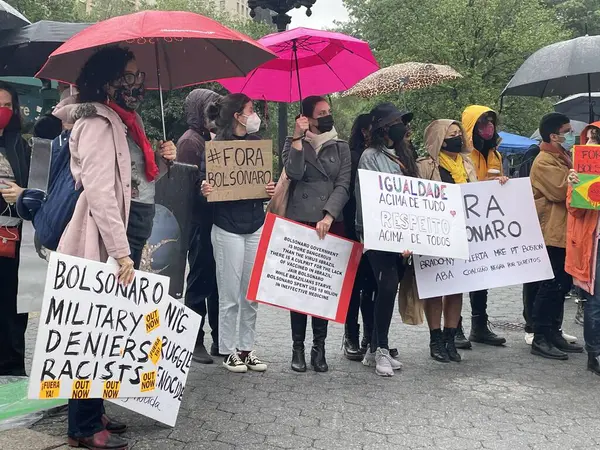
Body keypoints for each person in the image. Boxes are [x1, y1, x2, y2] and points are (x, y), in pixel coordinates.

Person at [53, 46, 176, 450]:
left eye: (139, 77)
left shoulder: (125, 120)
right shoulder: (97, 122)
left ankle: (94, 410)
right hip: (108, 237)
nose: (136, 85)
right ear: (106, 80)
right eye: (127, 76)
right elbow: (102, 192)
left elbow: (133, 179)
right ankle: (83, 426)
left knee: (111, 327)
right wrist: (121, 253)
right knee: (93, 328)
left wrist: (160, 159)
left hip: (129, 228)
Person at [201, 93, 274, 373]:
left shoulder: (256, 145)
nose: (254, 114)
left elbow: (263, 182)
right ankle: (228, 349)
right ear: (237, 116)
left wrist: (269, 189)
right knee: (230, 294)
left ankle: (247, 348)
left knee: (250, 295)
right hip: (227, 228)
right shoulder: (217, 147)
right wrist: (205, 189)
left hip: (254, 224)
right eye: (251, 109)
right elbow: (205, 183)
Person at [282, 95, 351, 372]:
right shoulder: (292, 143)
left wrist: (329, 214)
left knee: (322, 288)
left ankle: (318, 347)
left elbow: (343, 183)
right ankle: (297, 347)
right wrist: (298, 140)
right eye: (321, 112)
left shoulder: (341, 147)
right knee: (299, 288)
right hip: (300, 221)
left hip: (329, 223)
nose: (327, 116)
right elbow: (293, 174)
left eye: (328, 111)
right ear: (307, 118)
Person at [355, 103, 415, 377]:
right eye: (398, 122)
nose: (403, 126)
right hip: (378, 235)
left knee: (387, 290)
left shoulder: (405, 155)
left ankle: (373, 350)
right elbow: (370, 199)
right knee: (387, 286)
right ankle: (381, 348)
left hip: (403, 237)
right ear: (385, 128)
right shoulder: (370, 157)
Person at [417, 119, 478, 362]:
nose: (457, 138)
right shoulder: (424, 166)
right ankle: (435, 339)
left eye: (458, 133)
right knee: (435, 289)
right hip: (435, 234)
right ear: (438, 139)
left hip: (462, 233)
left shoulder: (467, 163)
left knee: (456, 289)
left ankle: (451, 337)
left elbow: (477, 194)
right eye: (451, 134)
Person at [529, 112, 584, 360]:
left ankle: (553, 332)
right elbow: (560, 191)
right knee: (550, 286)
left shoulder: (563, 157)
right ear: (554, 136)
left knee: (561, 285)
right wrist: (577, 178)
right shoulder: (543, 161)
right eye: (567, 131)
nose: (571, 136)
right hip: (551, 232)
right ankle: (540, 336)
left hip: (564, 232)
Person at [177, 88, 222, 364]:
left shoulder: (208, 139)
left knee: (216, 281)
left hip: (213, 218)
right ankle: (194, 341)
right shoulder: (190, 142)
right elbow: (185, 186)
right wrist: (201, 188)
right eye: (209, 110)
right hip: (198, 221)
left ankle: (220, 337)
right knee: (199, 280)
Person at [460, 105, 506, 348]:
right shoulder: (463, 155)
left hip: (484, 226)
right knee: (457, 277)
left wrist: (502, 182)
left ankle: (479, 325)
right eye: (481, 123)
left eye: (490, 122)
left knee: (482, 277)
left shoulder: (495, 154)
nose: (487, 128)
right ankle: (454, 327)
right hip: (464, 224)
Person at [0, 81, 31, 377]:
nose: (2, 111)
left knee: (13, 309)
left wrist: (22, 193)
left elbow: (36, 187)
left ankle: (12, 372)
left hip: (13, 239)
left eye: (7, 106)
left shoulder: (20, 146)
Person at [565, 121, 600, 376]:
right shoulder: (581, 171)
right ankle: (594, 353)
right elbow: (575, 209)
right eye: (588, 139)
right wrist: (576, 185)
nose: (590, 144)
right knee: (596, 301)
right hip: (595, 245)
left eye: (595, 139)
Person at [342, 113, 376, 360]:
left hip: (377, 227)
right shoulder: (351, 155)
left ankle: (371, 335)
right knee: (354, 286)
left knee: (372, 285)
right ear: (364, 131)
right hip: (353, 226)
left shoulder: (385, 155)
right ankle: (351, 335)